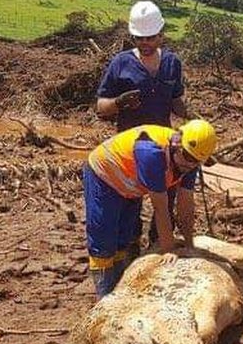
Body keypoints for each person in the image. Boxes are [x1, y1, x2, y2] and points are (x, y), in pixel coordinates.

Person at [83, 119, 217, 298]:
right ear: (177, 143)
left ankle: (121, 286)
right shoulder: (151, 153)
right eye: (188, 158)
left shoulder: (190, 159)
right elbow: (160, 208)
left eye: (196, 162)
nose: (190, 165)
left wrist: (189, 244)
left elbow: (185, 205)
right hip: (105, 175)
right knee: (104, 239)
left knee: (125, 236)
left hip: (131, 186)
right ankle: (105, 295)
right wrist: (168, 249)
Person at [97, 1, 189, 132]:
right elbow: (101, 107)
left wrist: (192, 118)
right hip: (129, 141)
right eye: (139, 38)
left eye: (150, 38)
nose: (144, 43)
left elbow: (175, 101)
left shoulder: (172, 63)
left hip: (160, 139)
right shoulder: (121, 62)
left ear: (161, 35)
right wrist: (118, 103)